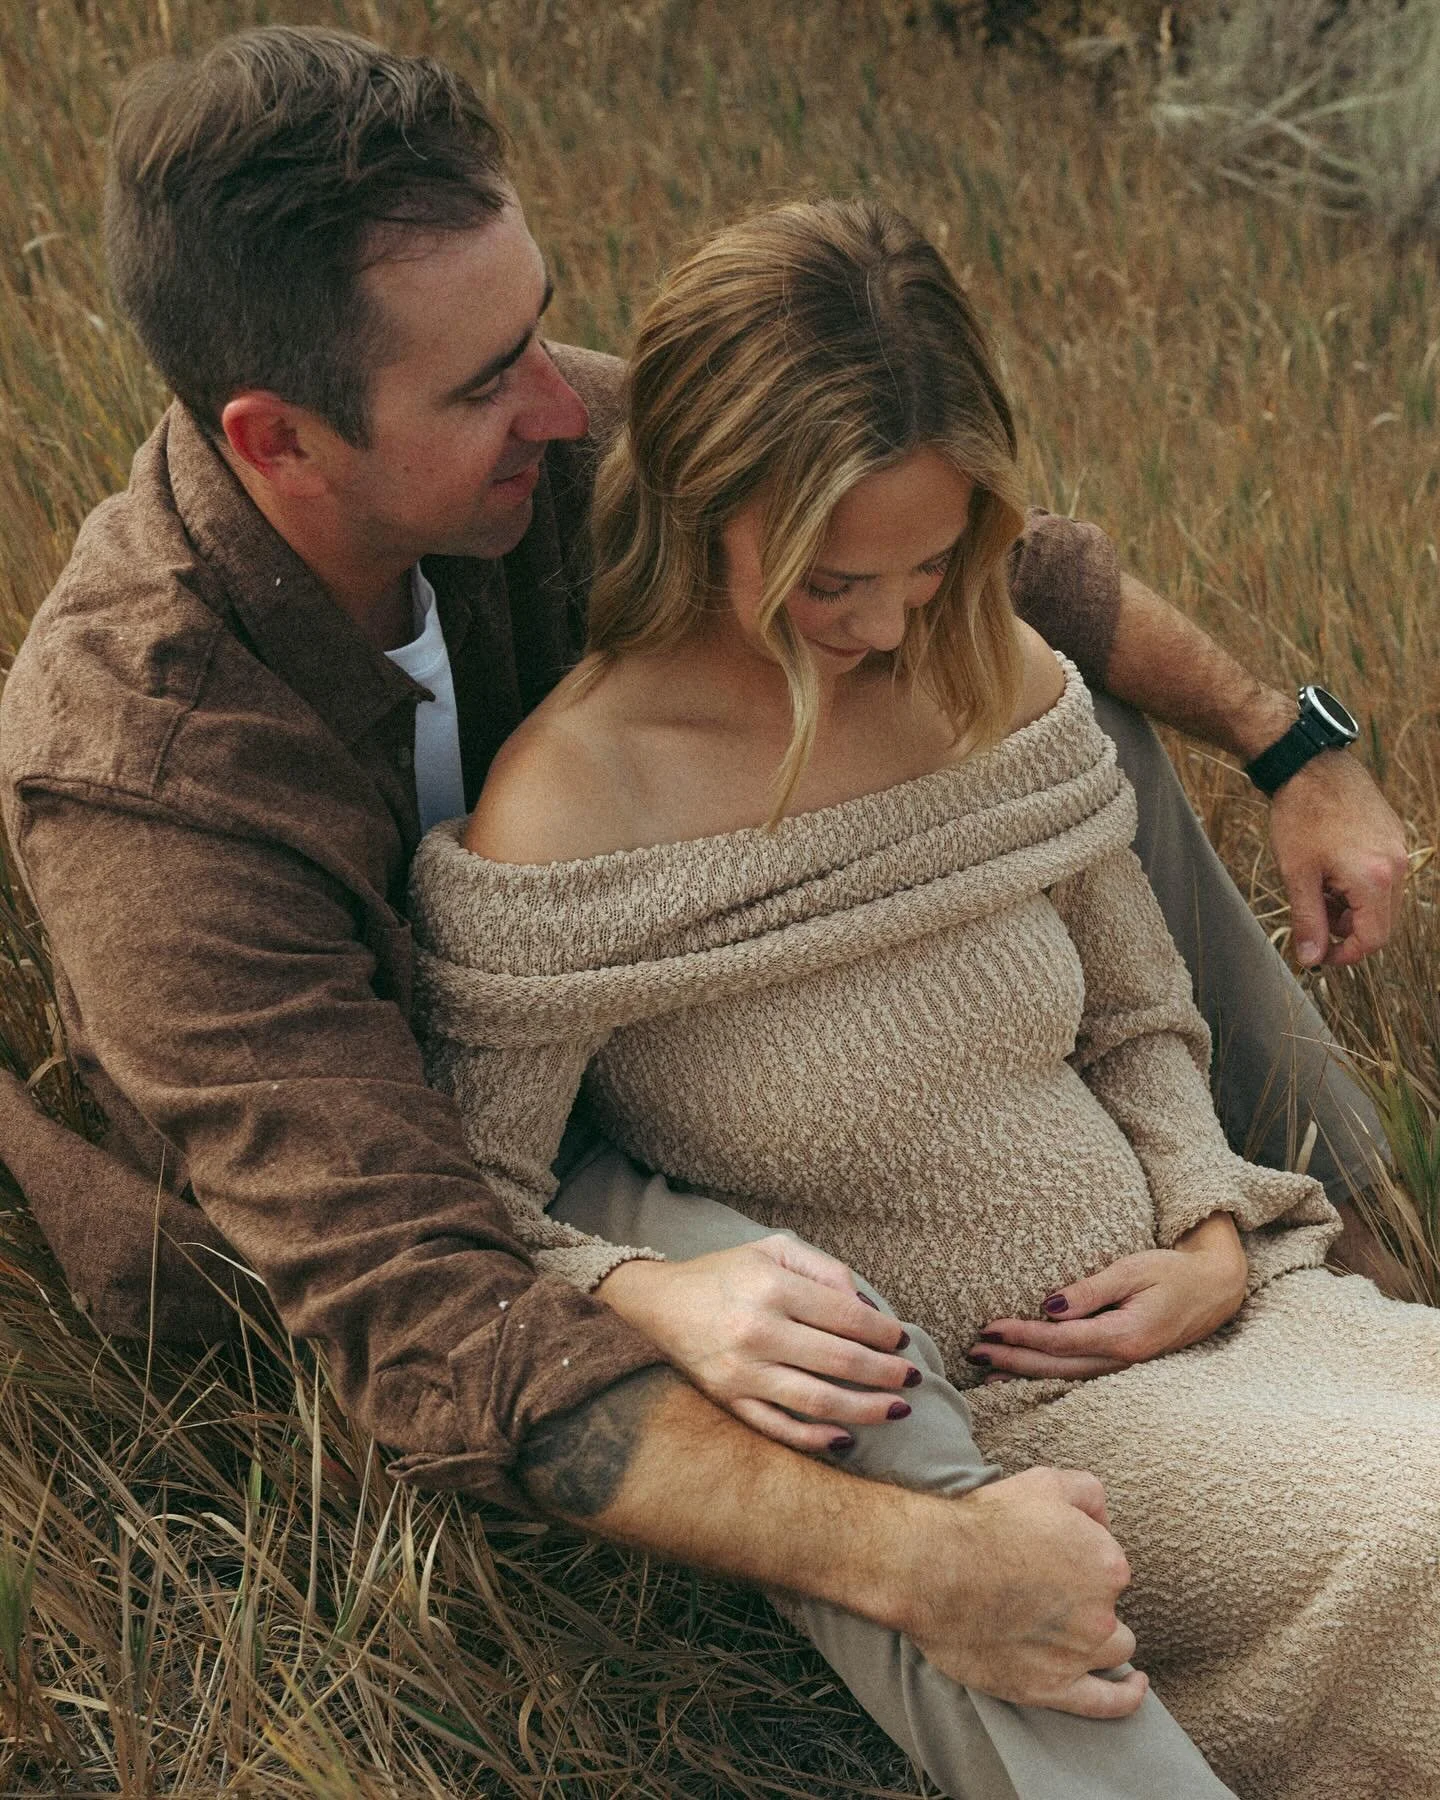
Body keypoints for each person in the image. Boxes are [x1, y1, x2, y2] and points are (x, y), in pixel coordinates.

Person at [0, 26, 1406, 1800]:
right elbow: (418, 1307)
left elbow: (1011, 570)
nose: (564, 406)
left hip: (682, 997)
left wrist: (1294, 745)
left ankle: (1315, 1237)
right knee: (837, 1356)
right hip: (404, 1172)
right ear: (280, 439)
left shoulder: (528, 442)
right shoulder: (144, 769)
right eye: (492, 379)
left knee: (1072, 727)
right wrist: (897, 1540)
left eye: (541, 328)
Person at [408, 193, 1440, 1800]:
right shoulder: (572, 808)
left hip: (1250, 1320)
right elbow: (479, 1208)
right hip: (1004, 1435)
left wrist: (1212, 1238)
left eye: (933, 563)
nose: (885, 625)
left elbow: (1138, 1017)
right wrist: (644, 1291)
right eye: (829, 581)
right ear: (697, 502)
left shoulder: (990, 672)